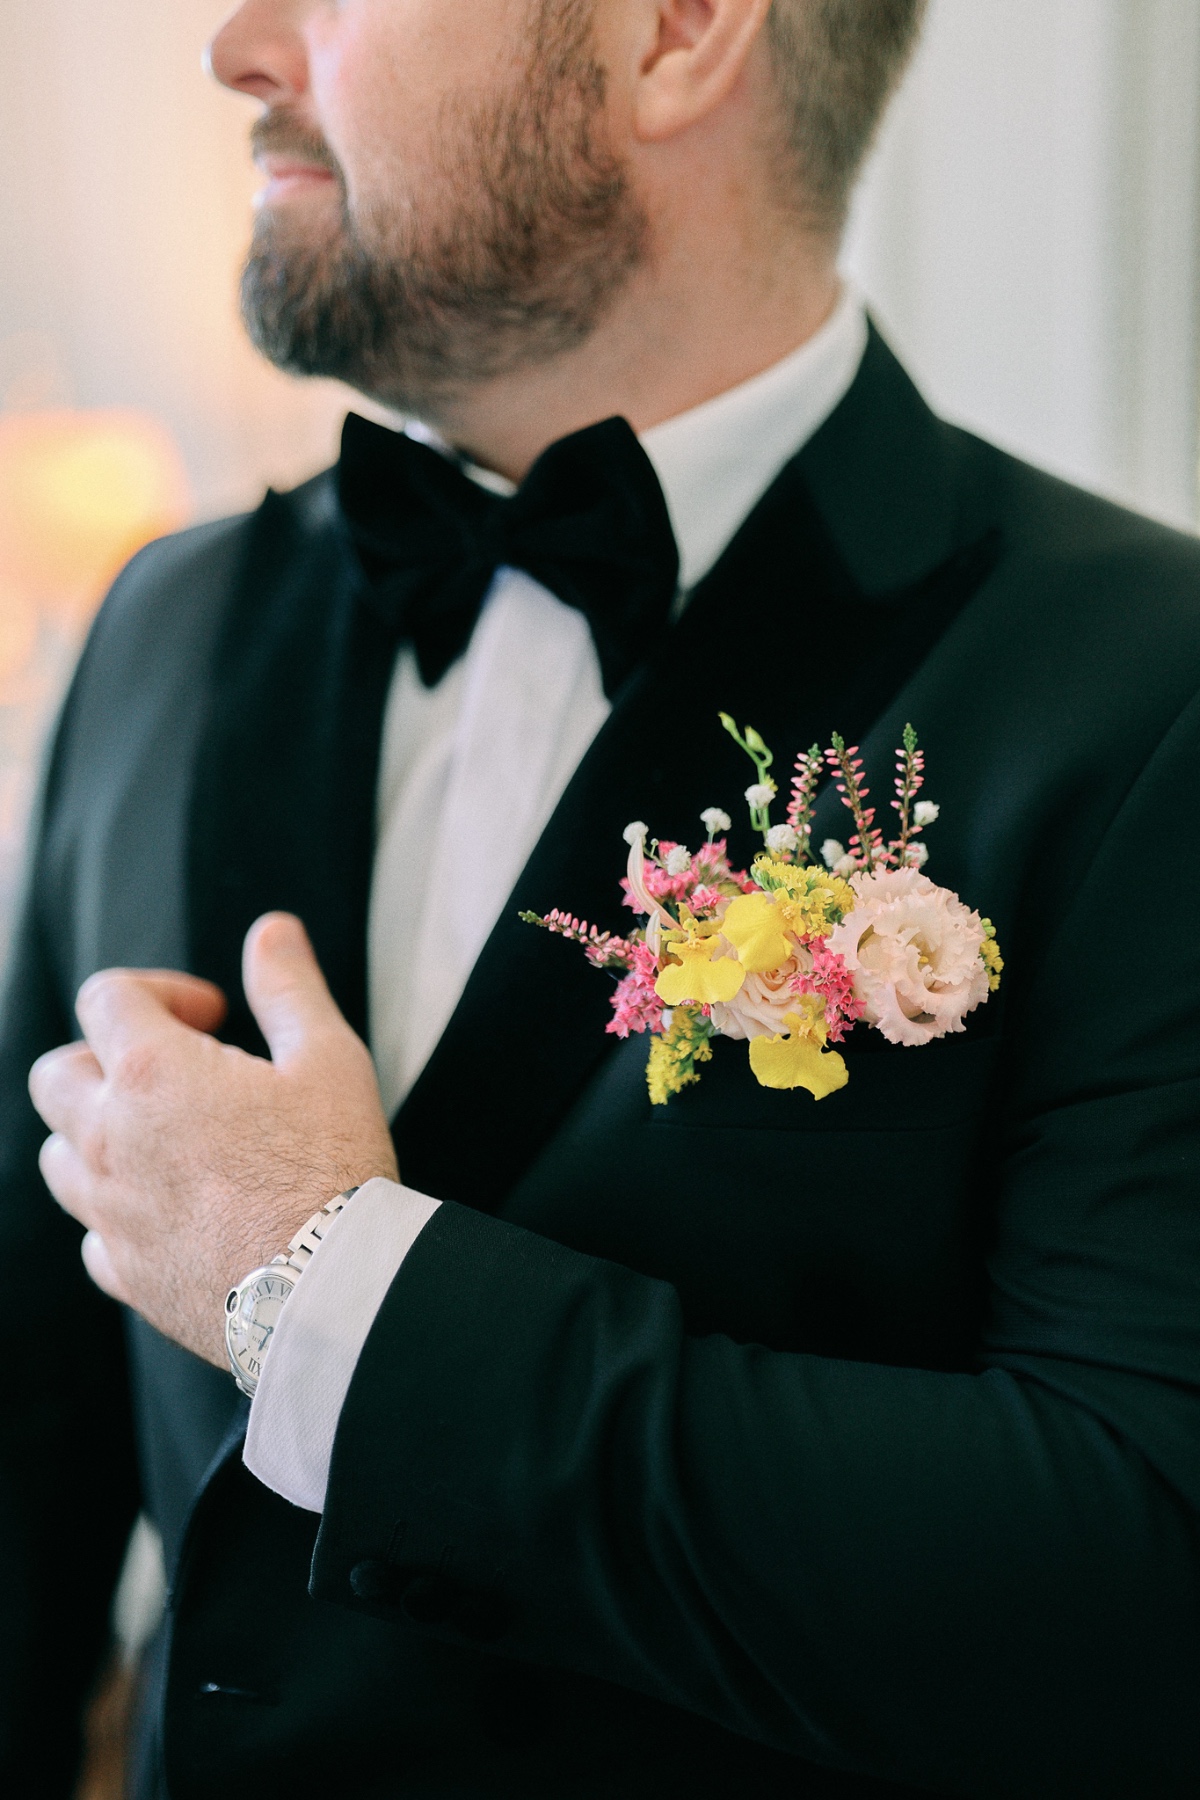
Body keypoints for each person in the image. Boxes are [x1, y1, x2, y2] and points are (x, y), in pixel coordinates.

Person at [3, 0, 1198, 1793]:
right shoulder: (163, 628)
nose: (236, 46)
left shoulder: (1144, 696)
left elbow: (1132, 1589)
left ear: (678, 33)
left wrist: (325, 1290)